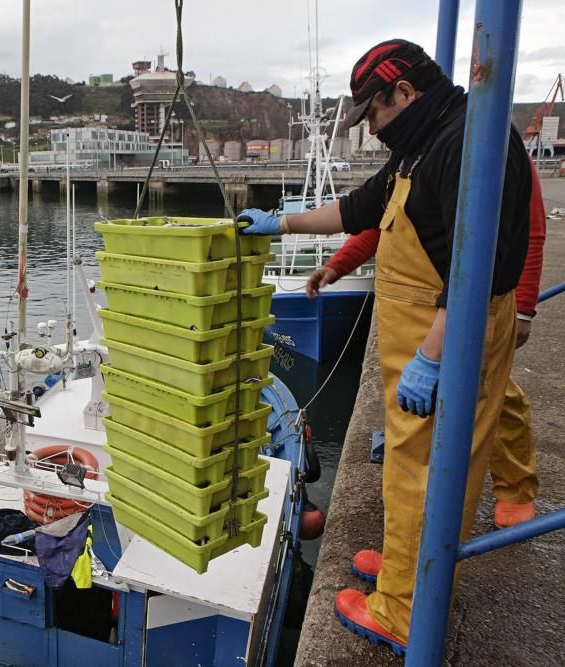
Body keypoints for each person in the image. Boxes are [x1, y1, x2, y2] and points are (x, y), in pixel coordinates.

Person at [236, 39, 532, 654]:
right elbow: (362, 209)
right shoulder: (423, 141)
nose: (370, 130)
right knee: (405, 471)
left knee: (431, 475)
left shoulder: (466, 145)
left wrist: (433, 356)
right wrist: (281, 223)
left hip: (444, 341)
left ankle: (400, 613)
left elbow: (477, 268)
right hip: (416, 348)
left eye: (372, 114)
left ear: (404, 92)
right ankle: (402, 569)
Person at [306, 156, 545, 534]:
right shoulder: (416, 151)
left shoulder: (499, 148)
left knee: (498, 398)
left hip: (475, 305)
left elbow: (528, 231)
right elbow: (383, 224)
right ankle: (414, 540)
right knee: (423, 422)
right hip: (423, 310)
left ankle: (515, 489)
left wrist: (525, 309)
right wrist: (338, 265)